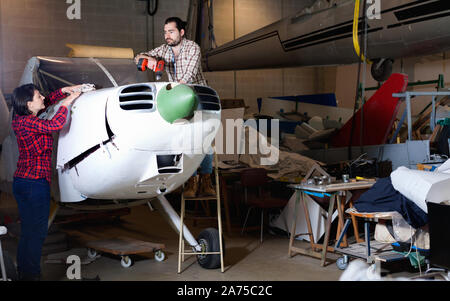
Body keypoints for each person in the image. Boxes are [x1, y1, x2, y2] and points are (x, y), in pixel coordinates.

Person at [134, 16, 215, 197]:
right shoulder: (164, 49)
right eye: (165, 32)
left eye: (171, 31)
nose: (167, 36)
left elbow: (188, 76)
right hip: (177, 99)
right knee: (185, 140)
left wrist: (175, 89)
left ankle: (206, 180)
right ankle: (191, 182)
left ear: (181, 32)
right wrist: (147, 59)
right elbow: (136, 57)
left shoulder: (192, 48)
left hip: (198, 96)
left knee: (204, 140)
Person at [11, 83, 81, 280]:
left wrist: (63, 91)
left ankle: (25, 272)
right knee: (37, 234)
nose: (43, 97)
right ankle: (31, 276)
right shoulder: (29, 123)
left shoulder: (21, 118)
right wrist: (67, 102)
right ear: (28, 104)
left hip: (23, 182)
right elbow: (55, 125)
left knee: (28, 232)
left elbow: (46, 102)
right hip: (35, 184)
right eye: (38, 95)